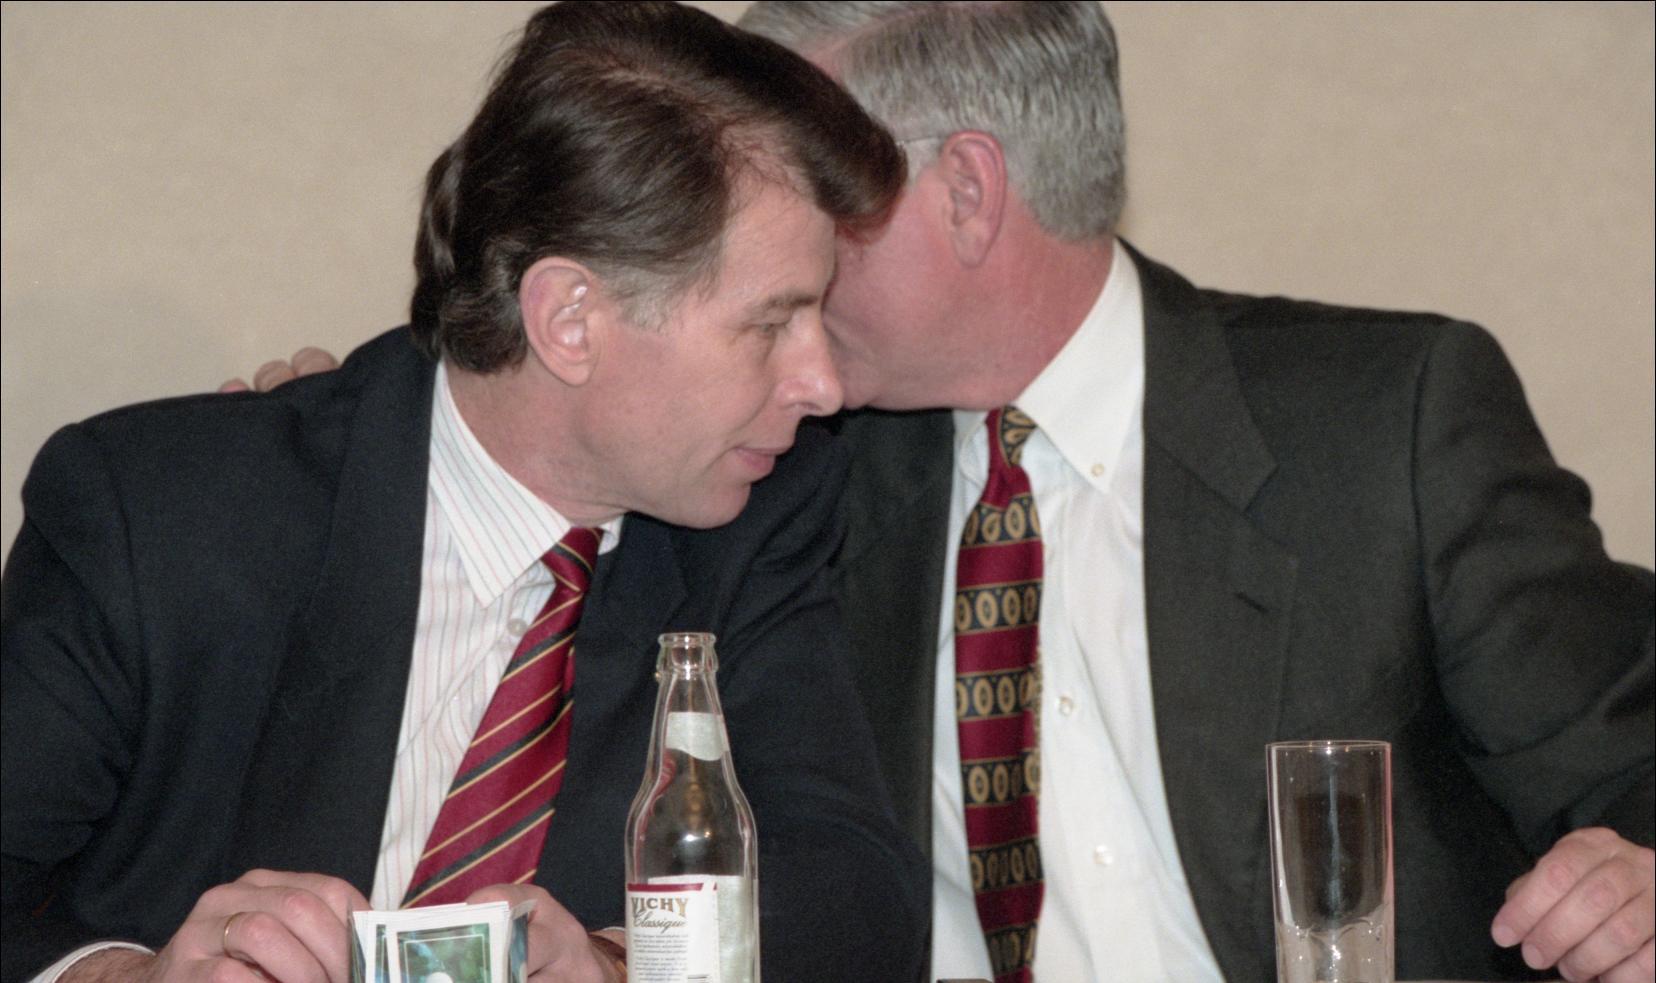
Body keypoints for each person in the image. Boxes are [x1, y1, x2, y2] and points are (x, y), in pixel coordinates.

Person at [219, 3, 1656, 981]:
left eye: (816, 185)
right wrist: (344, 436)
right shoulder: (777, 463)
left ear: (967, 191)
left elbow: (1629, 764)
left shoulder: (1385, 422)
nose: (759, 239)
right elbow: (550, 398)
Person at [0, 3, 929, 983]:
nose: (825, 384)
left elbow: (858, 896)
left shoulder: (761, 516)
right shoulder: (159, 512)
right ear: (568, 319)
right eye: (772, 325)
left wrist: (619, 963)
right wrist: (125, 976)